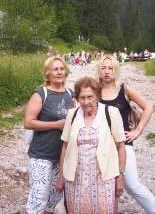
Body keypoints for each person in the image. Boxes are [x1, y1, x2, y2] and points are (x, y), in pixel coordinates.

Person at [96, 54, 155, 214]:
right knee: (106, 186)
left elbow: (148, 107)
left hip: (124, 144)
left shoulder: (124, 89)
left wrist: (137, 130)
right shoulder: (94, 91)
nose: (107, 71)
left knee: (132, 184)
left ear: (116, 70)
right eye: (103, 68)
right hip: (101, 145)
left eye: (110, 68)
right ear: (99, 70)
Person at [57, 76, 126, 214]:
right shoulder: (72, 114)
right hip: (76, 180)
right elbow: (65, 146)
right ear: (77, 98)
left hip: (103, 178)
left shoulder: (110, 113)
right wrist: (61, 177)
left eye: (90, 97)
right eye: (82, 98)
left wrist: (120, 176)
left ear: (97, 96)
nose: (86, 102)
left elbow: (121, 146)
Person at [24, 56, 75, 214]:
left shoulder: (70, 94)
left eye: (61, 69)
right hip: (41, 154)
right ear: (48, 74)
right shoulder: (41, 94)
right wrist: (55, 124)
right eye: (55, 69)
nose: (59, 72)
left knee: (53, 200)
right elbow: (28, 122)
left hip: (61, 156)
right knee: (37, 200)